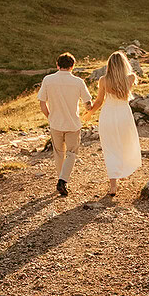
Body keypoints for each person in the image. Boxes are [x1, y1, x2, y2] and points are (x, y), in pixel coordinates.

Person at [38, 52, 93, 196]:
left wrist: (50, 117)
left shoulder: (48, 80)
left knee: (58, 153)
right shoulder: (78, 82)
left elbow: (42, 104)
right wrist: (89, 110)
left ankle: (60, 179)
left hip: (55, 123)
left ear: (57, 65)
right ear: (73, 66)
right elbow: (88, 103)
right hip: (73, 124)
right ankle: (63, 180)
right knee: (71, 153)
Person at [89, 50, 141, 196]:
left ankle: (113, 185)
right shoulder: (130, 78)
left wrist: (89, 112)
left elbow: (99, 101)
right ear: (124, 64)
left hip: (108, 114)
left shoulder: (103, 80)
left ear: (110, 65)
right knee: (124, 143)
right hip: (124, 113)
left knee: (110, 147)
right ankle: (122, 171)